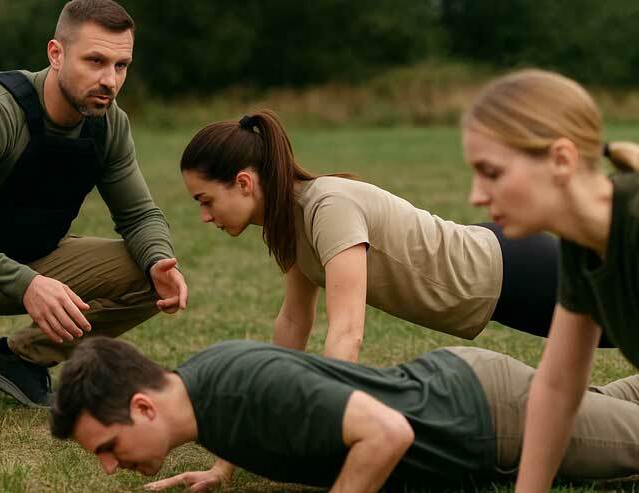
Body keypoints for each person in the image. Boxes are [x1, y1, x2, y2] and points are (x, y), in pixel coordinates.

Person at [0, 0, 187, 429]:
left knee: (152, 275)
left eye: (121, 65)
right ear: (55, 54)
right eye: (95, 60)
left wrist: (158, 259)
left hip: (23, 257)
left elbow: (139, 216)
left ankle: (20, 360)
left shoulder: (109, 124)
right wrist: (28, 284)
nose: (109, 80)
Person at [178, 109, 602, 364]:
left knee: (625, 323)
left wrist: (331, 417)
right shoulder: (288, 223)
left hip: (507, 271)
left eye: (206, 200)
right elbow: (293, 321)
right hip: (493, 287)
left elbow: (348, 332)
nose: (202, 215)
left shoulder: (326, 206)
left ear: (244, 183)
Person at [50, 337, 639, 492]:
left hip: (487, 415)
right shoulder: (199, 389)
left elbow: (387, 433)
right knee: (612, 408)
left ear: (143, 406)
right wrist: (222, 470)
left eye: (107, 446)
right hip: (468, 385)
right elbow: (258, 415)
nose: (107, 467)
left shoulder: (246, 388)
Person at [462, 69, 639, 492]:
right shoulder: (585, 246)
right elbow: (557, 387)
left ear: (561, 159)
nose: (476, 195)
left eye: (492, 172)